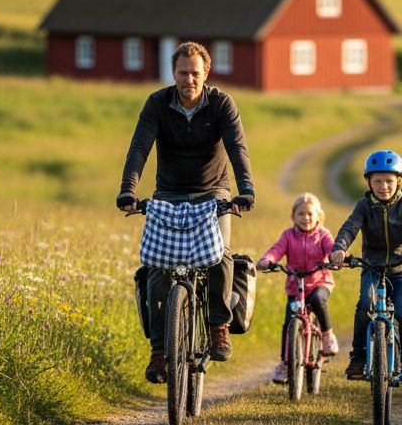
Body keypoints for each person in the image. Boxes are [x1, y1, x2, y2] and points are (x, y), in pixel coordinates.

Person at [117, 41, 255, 384]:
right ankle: (160, 351)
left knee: (220, 253)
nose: (189, 79)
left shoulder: (222, 103)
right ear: (173, 73)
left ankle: (218, 325)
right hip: (169, 192)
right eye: (183, 73)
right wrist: (129, 190)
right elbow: (139, 148)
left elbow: (237, 147)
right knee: (158, 266)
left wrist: (245, 190)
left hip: (213, 191)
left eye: (195, 73)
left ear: (206, 73)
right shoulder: (157, 104)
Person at [329, 150, 402, 387]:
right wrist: (339, 249)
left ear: (398, 181)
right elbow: (349, 228)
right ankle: (358, 358)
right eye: (377, 180)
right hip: (372, 266)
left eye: (389, 180)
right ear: (368, 181)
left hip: (401, 267)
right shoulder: (364, 206)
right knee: (365, 306)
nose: (383, 186)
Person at [257, 192, 338, 384]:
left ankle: (327, 335)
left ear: (319, 216)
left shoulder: (323, 235)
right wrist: (267, 260)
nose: (305, 218)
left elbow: (332, 249)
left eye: (310, 214)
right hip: (296, 285)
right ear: (293, 216)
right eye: (300, 214)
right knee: (289, 322)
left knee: (318, 300)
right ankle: (286, 362)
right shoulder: (288, 235)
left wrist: (335, 258)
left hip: (319, 281)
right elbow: (276, 249)